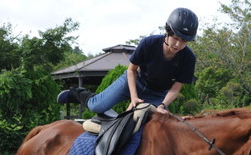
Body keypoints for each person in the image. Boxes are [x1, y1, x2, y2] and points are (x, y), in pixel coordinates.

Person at [57, 7, 198, 115]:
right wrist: (134, 98)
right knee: (96, 106)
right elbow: (131, 70)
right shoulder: (148, 43)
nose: (178, 45)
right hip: (133, 82)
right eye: (176, 38)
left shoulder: (189, 58)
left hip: (158, 94)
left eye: (184, 41)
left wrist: (162, 105)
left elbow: (176, 88)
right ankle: (76, 92)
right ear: (167, 31)